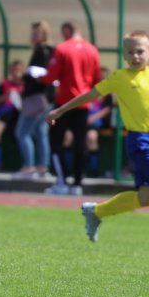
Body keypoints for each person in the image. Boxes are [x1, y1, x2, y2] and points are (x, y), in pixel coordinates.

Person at [46, 30, 149, 242]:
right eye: (131, 52)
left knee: (148, 198)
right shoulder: (120, 78)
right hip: (140, 142)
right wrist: (60, 110)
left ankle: (96, 212)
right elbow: (90, 94)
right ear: (124, 55)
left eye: (140, 51)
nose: (135, 56)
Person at [41, 21, 101, 195]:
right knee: (80, 143)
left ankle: (62, 181)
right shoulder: (92, 50)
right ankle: (77, 184)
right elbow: (97, 79)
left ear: (66, 30)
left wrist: (38, 78)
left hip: (64, 103)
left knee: (55, 141)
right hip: (83, 102)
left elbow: (51, 76)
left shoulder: (62, 48)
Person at [14, 21, 55, 179]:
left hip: (37, 98)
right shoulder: (50, 51)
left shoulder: (42, 50)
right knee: (41, 131)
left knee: (22, 132)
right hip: (47, 97)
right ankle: (43, 167)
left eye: (37, 32)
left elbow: (41, 75)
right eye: (33, 32)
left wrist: (25, 76)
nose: (33, 35)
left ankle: (29, 166)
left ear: (44, 34)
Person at [0, 60, 24, 172]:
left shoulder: (26, 85)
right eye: (13, 70)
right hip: (4, 115)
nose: (16, 72)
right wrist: (7, 95)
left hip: (20, 116)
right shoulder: (4, 84)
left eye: (18, 70)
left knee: (26, 135)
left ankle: (27, 165)